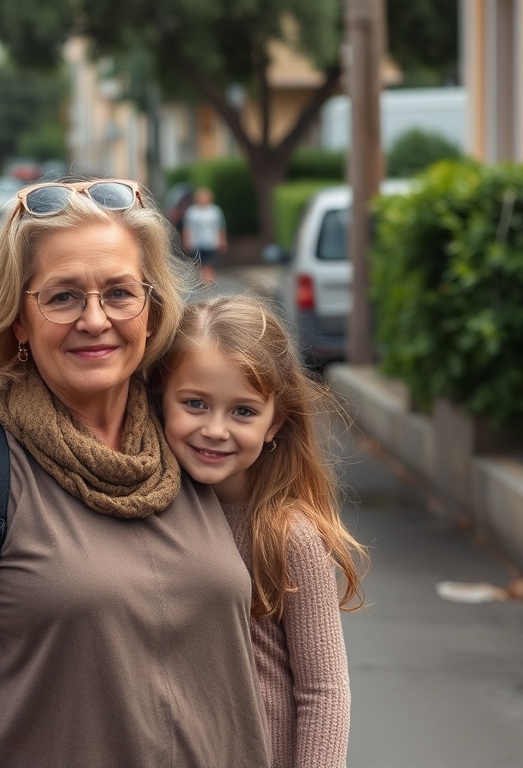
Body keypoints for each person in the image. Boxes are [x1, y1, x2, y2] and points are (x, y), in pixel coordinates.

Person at [0, 179, 270, 768]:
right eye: (62, 297)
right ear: (18, 323)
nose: (94, 319)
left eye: (119, 293)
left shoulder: (198, 446)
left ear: (151, 308)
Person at [151, 295, 369, 768]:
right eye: (194, 403)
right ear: (160, 399)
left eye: (243, 412)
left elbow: (324, 690)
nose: (215, 429)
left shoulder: (289, 535)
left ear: (276, 423)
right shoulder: (149, 511)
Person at [181, 186, 226, 285]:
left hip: (211, 241)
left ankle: (208, 279)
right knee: (200, 263)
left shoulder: (215, 211)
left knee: (209, 262)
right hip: (197, 242)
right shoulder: (192, 212)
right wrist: (186, 241)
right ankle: (203, 278)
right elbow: (187, 228)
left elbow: (220, 227)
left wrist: (222, 240)